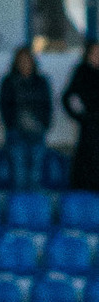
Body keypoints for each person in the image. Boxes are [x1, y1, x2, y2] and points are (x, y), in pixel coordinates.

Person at [0, 46, 53, 191]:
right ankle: (19, 210)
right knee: (19, 175)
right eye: (21, 60)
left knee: (35, 175)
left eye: (27, 60)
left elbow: (47, 105)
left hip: (37, 132)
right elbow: (4, 106)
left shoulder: (41, 82)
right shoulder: (9, 82)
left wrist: (44, 124)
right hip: (16, 133)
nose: (25, 63)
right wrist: (11, 125)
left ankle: (34, 211)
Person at [64, 42, 99, 191]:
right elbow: (67, 97)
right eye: (95, 53)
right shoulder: (82, 71)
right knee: (87, 162)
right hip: (90, 126)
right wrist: (80, 116)